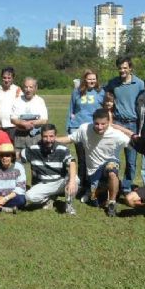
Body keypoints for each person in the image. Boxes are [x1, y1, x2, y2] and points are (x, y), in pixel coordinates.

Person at [56, 108, 130, 217]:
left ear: (109, 122)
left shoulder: (117, 134)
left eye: (103, 124)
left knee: (112, 170)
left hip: (110, 164)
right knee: (95, 202)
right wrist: (52, 140)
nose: (100, 127)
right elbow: (69, 139)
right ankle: (105, 189)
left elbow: (133, 143)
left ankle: (112, 203)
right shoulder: (84, 129)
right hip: (93, 171)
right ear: (92, 121)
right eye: (97, 124)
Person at [104, 57, 145, 194]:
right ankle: (109, 183)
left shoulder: (139, 83)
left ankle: (126, 186)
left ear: (130, 68)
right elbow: (100, 92)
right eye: (120, 68)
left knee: (131, 159)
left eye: (125, 67)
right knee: (112, 156)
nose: (122, 70)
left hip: (132, 125)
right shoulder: (113, 83)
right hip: (116, 123)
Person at [21, 124, 78, 215]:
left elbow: (72, 162)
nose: (48, 140)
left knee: (75, 179)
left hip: (60, 182)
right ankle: (49, 198)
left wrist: (71, 182)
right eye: (45, 136)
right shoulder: (34, 149)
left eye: (51, 136)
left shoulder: (62, 149)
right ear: (41, 136)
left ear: (55, 136)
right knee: (28, 197)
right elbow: (16, 156)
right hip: (44, 183)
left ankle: (69, 205)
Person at [65, 69, 105, 197]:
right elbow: (71, 109)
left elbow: (106, 110)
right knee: (82, 158)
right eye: (89, 79)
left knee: (93, 158)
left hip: (93, 128)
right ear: (84, 80)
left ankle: (94, 184)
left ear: (97, 80)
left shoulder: (101, 92)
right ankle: (82, 184)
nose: (92, 81)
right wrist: (68, 126)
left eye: (94, 79)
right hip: (77, 127)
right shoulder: (76, 92)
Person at [11, 77, 48, 158]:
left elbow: (44, 120)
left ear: (35, 88)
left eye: (31, 87)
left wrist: (31, 123)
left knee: (36, 162)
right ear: (23, 88)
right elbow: (13, 119)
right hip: (20, 136)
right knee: (18, 162)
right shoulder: (17, 101)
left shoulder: (40, 101)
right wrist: (22, 123)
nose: (28, 89)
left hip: (35, 137)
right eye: (26, 87)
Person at [0, 67, 22, 142]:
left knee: (12, 148)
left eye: (9, 78)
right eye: (4, 78)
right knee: (0, 148)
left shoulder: (18, 90)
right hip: (0, 126)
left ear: (13, 78)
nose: (6, 80)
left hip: (13, 126)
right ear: (1, 78)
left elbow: (22, 107)